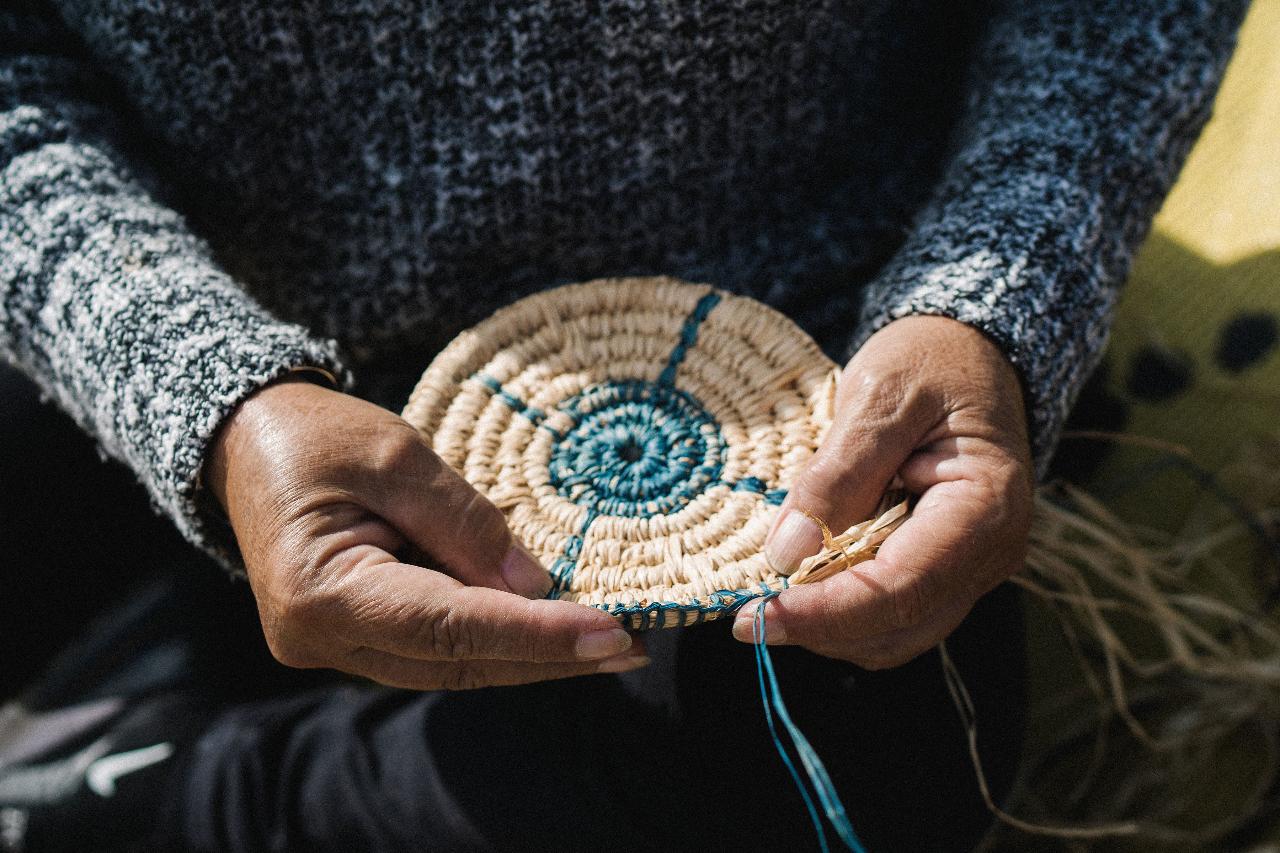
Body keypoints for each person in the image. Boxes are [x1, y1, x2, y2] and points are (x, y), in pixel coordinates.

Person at [0, 1, 1247, 850]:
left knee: (846, 788)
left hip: (832, 338)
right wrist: (197, 391)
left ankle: (169, 795)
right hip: (171, 297)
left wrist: (995, 298)